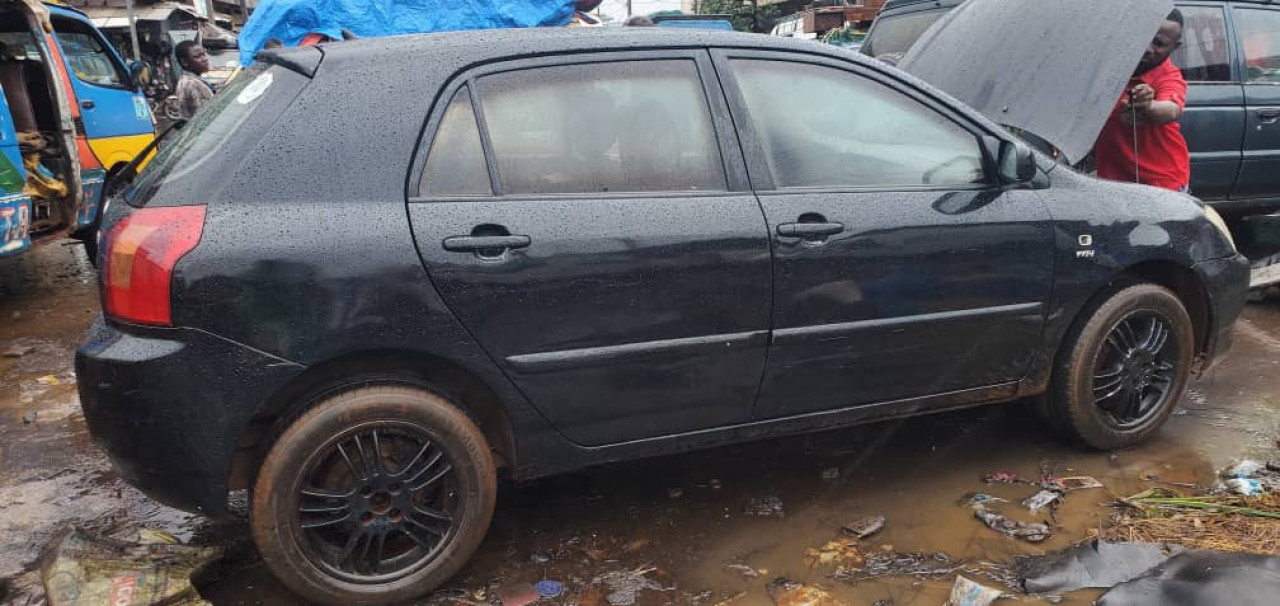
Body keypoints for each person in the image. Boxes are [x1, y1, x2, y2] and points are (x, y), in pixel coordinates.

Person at [1094, 9, 1189, 192]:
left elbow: (1171, 110)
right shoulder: (1108, 70)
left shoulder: (1168, 76)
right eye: (1144, 37)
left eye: (1159, 43)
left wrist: (1149, 106)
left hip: (1161, 186)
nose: (1147, 48)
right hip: (1111, 182)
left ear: (1175, 47)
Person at [174, 40, 213, 120]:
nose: (204, 59)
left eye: (204, 54)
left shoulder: (186, 80)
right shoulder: (192, 84)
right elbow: (204, 118)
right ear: (185, 62)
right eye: (197, 57)